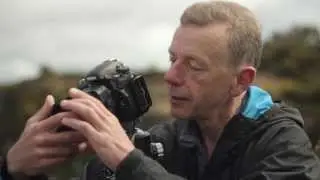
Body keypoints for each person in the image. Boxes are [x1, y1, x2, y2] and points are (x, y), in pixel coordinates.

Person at [1, 1, 320, 180]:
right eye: (172, 59)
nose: (170, 76)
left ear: (241, 81)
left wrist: (128, 161)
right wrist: (16, 170)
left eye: (194, 65)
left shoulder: (285, 147)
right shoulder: (166, 140)